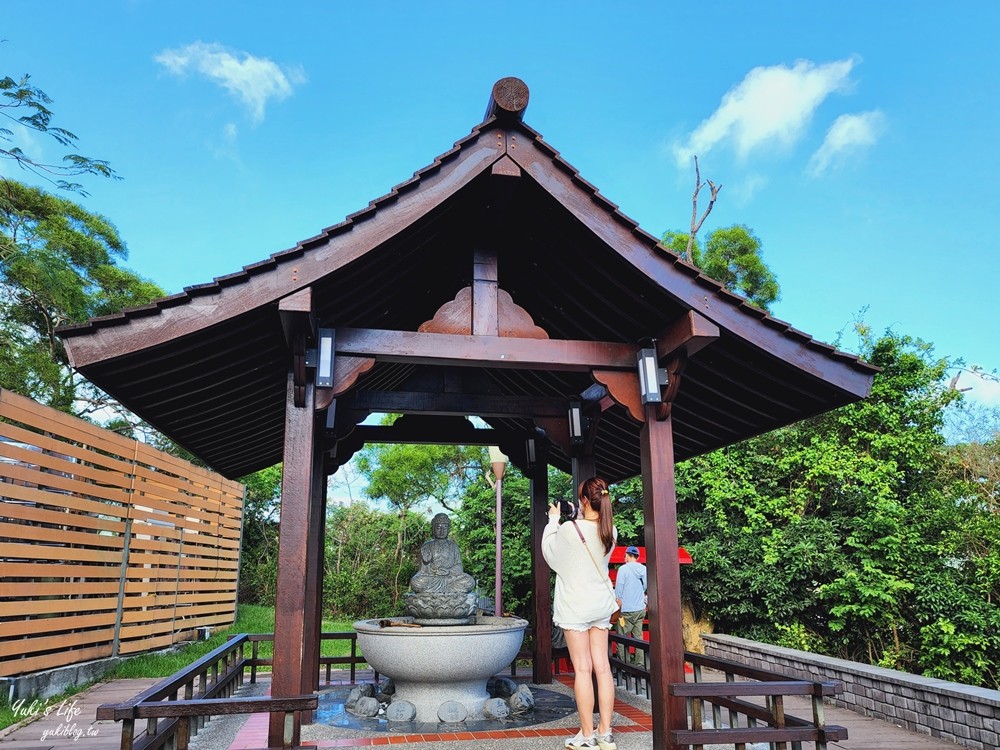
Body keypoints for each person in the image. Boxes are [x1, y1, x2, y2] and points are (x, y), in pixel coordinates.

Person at [542, 476, 618, 750]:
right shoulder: (611, 530)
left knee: (583, 669)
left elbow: (552, 556)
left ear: (585, 500)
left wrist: (554, 520)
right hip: (600, 605)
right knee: (603, 667)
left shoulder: (569, 529)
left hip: (576, 606)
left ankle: (587, 735)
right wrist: (576, 516)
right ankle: (606, 732)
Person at [409, 512, 475, 593]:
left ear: (448, 529)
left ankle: (438, 590)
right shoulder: (427, 546)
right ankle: (447, 590)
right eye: (438, 527)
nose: (442, 530)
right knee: (415, 582)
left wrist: (449, 571)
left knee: (469, 581)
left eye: (445, 527)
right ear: (433, 529)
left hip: (450, 579)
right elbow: (422, 570)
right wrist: (427, 562)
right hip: (432, 578)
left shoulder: (454, 546)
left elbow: (459, 566)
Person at [613, 546, 647, 664]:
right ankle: (639, 664)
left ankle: (623, 664)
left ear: (627, 555)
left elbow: (619, 589)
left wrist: (617, 602)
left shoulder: (623, 569)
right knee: (639, 638)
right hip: (640, 609)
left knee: (621, 637)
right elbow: (645, 586)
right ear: (637, 557)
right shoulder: (644, 569)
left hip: (626, 611)